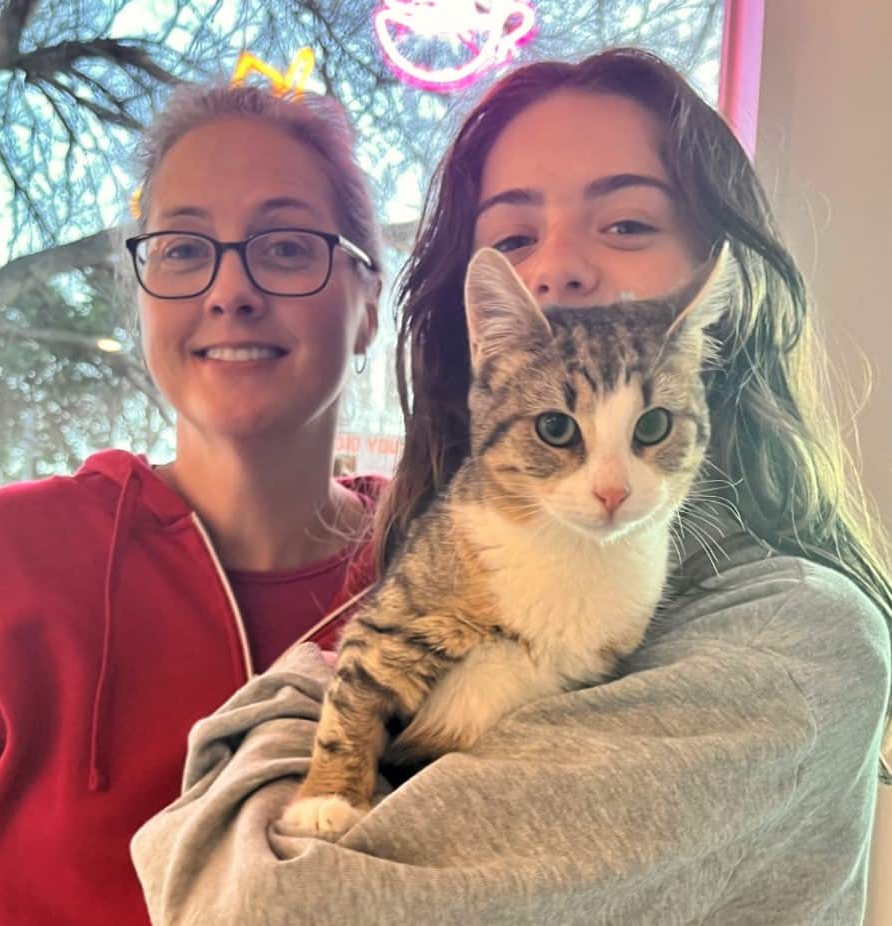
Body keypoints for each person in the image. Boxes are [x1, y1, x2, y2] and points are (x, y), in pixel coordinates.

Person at [130, 49, 892, 925]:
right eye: (513, 237)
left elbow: (258, 907)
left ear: (717, 302)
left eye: (627, 224)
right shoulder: (451, 540)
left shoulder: (793, 639)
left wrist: (292, 704)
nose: (557, 267)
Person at [0, 82, 385, 925]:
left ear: (368, 303)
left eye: (282, 247)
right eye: (183, 249)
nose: (228, 291)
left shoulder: (447, 572)